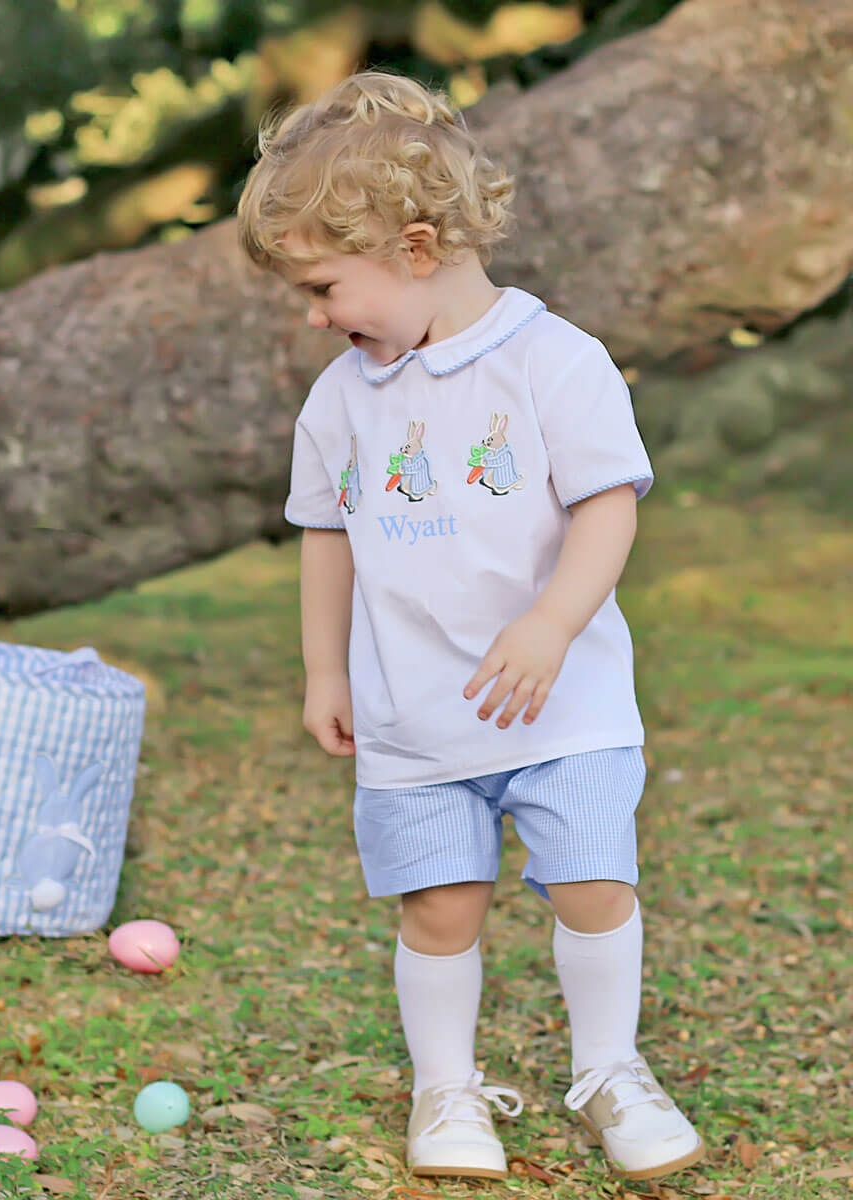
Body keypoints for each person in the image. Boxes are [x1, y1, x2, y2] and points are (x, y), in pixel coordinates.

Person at [235, 70, 706, 1183]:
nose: (314, 315)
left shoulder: (554, 362)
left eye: (321, 284)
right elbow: (327, 535)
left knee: (594, 884)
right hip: (416, 717)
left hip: (565, 703)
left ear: (411, 244)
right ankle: (445, 1091)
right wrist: (322, 670)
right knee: (440, 906)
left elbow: (605, 506)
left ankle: (608, 1071)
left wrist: (550, 624)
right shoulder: (340, 400)